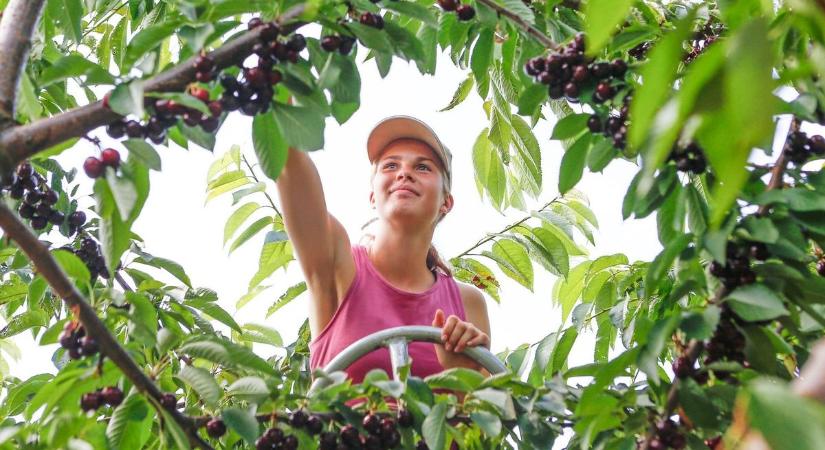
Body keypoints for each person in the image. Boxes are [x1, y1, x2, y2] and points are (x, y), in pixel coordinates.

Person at [275, 115, 492, 391]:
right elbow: (287, 162)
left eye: (423, 167)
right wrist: (282, 98)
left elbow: (490, 421)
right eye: (391, 165)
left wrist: (462, 373)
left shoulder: (467, 303)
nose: (405, 173)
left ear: (445, 203)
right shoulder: (338, 267)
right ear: (372, 196)